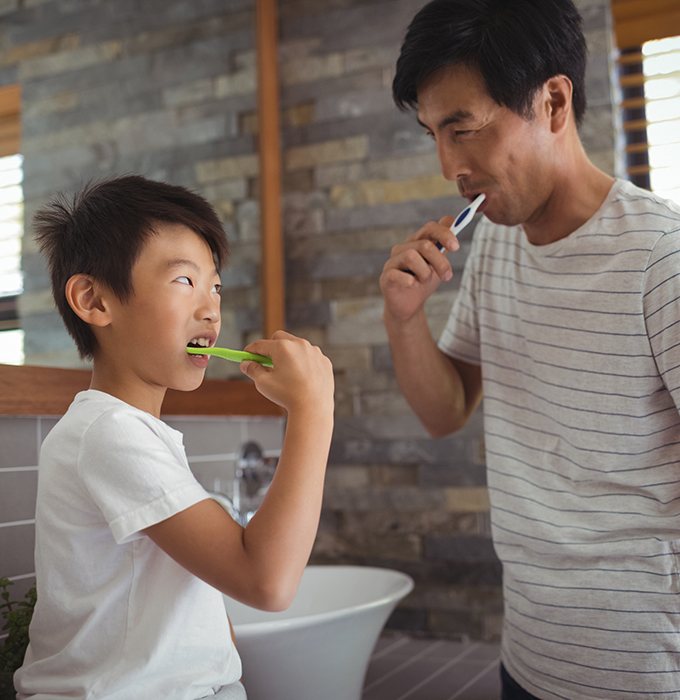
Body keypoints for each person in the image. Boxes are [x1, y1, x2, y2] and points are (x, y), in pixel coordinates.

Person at [380, 1, 680, 698]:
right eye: (433, 134)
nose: (449, 165)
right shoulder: (498, 244)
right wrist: (403, 320)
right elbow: (446, 410)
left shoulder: (660, 257)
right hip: (529, 652)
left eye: (465, 129)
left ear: (552, 101)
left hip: (643, 667)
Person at [14, 175, 335, 699]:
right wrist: (314, 409)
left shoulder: (132, 432)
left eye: (216, 285)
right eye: (184, 281)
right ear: (93, 300)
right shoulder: (109, 433)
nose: (211, 308)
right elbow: (268, 581)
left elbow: (195, 597)